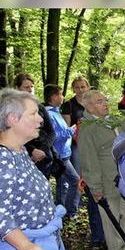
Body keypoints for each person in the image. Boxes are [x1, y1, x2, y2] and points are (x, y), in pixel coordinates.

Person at [0, 89, 67, 250]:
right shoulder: (3, 159)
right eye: (33, 114)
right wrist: (26, 246)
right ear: (12, 119)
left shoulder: (19, 152)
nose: (41, 119)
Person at [78, 90, 125, 250]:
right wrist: (96, 188)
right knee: (110, 216)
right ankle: (115, 249)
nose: (105, 103)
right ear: (89, 107)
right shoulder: (87, 129)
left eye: (105, 100)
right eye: (99, 101)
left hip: (124, 179)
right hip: (106, 182)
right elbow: (89, 161)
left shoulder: (112, 121)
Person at [61, 76, 105, 248]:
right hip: (77, 144)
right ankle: (75, 208)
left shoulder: (94, 103)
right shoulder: (69, 105)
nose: (80, 89)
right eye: (77, 87)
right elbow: (68, 127)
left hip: (96, 147)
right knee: (81, 176)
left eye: (83, 86)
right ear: (73, 89)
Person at [44, 84, 79, 219]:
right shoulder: (49, 114)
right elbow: (54, 136)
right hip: (59, 156)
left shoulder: (56, 111)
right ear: (53, 97)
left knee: (63, 184)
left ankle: (62, 211)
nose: (62, 97)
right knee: (74, 181)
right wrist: (71, 130)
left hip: (65, 153)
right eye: (60, 94)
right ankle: (69, 212)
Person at [13, 73, 57, 178]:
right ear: (17, 89)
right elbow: (11, 134)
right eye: (26, 87)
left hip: (44, 157)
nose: (30, 89)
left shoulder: (40, 107)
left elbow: (51, 132)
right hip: (22, 157)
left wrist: (43, 149)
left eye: (32, 87)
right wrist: (32, 150)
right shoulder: (11, 108)